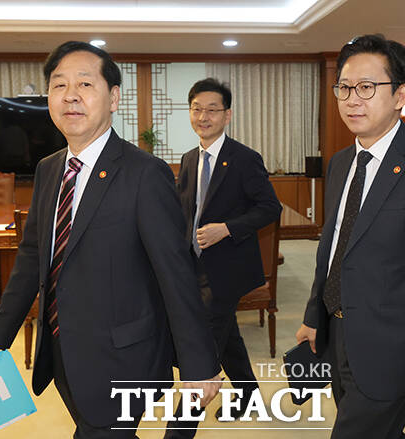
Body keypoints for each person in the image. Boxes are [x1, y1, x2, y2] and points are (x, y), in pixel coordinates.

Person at [0, 41, 221, 439]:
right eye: (59, 85)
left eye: (85, 84)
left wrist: (199, 364)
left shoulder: (144, 174)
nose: (70, 95)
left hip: (121, 359)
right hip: (62, 351)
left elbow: (176, 273)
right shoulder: (49, 169)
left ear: (114, 98)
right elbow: (32, 257)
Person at [295, 34, 405, 438]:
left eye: (366, 87)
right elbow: (334, 249)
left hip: (392, 351)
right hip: (338, 335)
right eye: (344, 87)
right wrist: (314, 316)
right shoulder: (341, 163)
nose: (352, 99)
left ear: (400, 96)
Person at [164, 78, 282, 438]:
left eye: (212, 110)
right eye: (197, 109)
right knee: (226, 338)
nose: (204, 116)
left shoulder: (244, 158)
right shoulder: (189, 158)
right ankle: (248, 396)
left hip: (226, 271)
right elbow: (185, 211)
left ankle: (178, 432)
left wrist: (227, 228)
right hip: (193, 268)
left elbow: (269, 207)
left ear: (227, 115)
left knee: (202, 354)